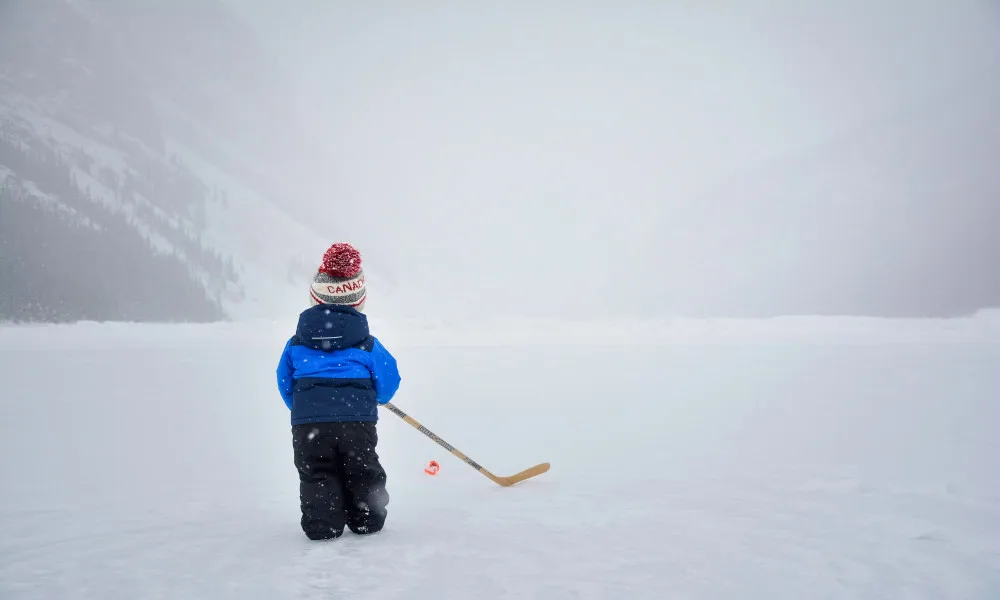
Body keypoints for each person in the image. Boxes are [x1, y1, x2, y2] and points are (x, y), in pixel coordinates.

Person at [276, 242, 401, 541]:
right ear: (359, 302)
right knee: (362, 469)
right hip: (357, 421)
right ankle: (367, 520)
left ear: (314, 299)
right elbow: (388, 379)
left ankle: (323, 525)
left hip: (309, 423)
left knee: (317, 473)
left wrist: (302, 407)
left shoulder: (296, 344)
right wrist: (378, 398)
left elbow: (285, 382)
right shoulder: (367, 344)